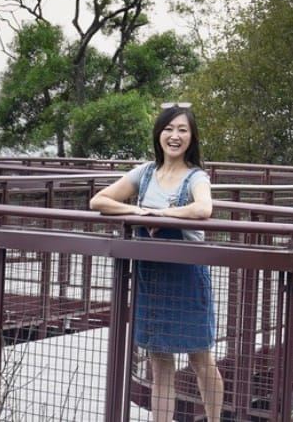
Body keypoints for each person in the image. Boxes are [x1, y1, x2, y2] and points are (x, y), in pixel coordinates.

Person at [90, 102, 225, 422]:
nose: (174, 136)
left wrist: (161, 213)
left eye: (182, 130)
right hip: (150, 277)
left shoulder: (196, 177)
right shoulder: (145, 173)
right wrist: (137, 212)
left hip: (186, 276)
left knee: (201, 358)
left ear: (192, 137)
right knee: (159, 363)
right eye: (169, 129)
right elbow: (99, 200)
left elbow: (203, 209)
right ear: (159, 134)